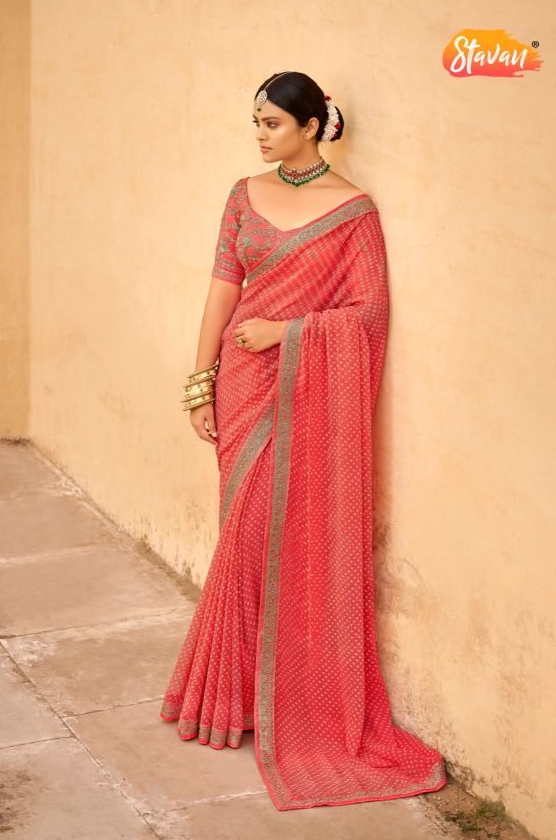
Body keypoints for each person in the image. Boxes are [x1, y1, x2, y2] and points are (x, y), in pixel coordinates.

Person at [159, 71, 447, 811]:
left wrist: (288, 332)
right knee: (240, 536)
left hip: (299, 386)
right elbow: (221, 290)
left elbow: (370, 313)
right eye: (256, 121)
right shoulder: (241, 195)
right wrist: (199, 382)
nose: (260, 135)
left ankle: (267, 698)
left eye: (273, 123)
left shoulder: (352, 212)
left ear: (313, 126)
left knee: (268, 539)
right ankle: (232, 696)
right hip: (242, 387)